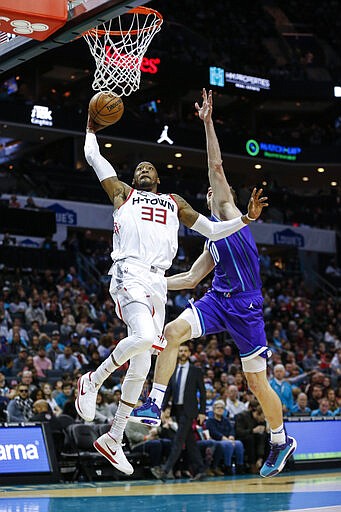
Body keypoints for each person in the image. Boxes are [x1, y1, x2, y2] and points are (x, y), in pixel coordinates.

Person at [75, 109, 268, 476]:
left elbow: (212, 230)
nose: (144, 170)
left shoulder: (174, 202)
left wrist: (245, 220)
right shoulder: (123, 194)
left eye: (150, 168)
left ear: (159, 178)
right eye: (139, 169)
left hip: (158, 283)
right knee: (145, 337)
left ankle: (113, 437)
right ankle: (93, 380)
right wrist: (90, 126)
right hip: (129, 272)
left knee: (145, 359)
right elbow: (93, 157)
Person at [131, 88, 296, 478]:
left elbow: (216, 165)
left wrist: (207, 122)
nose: (210, 191)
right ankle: (153, 402)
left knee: (256, 384)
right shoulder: (212, 241)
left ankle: (279, 439)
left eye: (215, 190)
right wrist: (149, 281)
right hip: (217, 301)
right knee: (170, 332)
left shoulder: (227, 210)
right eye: (208, 192)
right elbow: (189, 278)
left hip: (247, 307)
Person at [155, 343, 207, 481]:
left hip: (189, 410)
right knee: (190, 442)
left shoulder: (196, 370)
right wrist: (162, 408)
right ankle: (201, 470)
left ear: (189, 353)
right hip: (177, 410)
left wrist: (202, 411)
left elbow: (202, 392)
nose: (183, 353)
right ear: (178, 353)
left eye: (185, 351)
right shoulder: (173, 369)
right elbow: (169, 391)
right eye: (181, 350)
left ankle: (166, 470)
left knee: (178, 440)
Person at [206, 399, 245, 474]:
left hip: (228, 440)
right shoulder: (210, 421)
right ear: (214, 410)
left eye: (222, 408)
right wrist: (225, 439)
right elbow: (214, 432)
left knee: (239, 443)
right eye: (218, 408)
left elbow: (231, 430)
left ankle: (240, 466)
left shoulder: (226, 420)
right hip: (217, 440)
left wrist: (231, 436)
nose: (220, 409)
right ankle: (228, 466)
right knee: (228, 444)